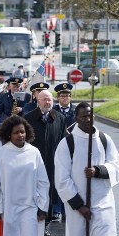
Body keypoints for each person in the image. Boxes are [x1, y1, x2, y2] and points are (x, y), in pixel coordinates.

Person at [54, 101, 119, 236]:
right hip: (78, 205)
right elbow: (62, 178)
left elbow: (116, 167)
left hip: (103, 202)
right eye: (83, 116)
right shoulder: (68, 143)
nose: (87, 119)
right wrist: (79, 205)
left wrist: (98, 170)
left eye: (90, 116)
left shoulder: (104, 139)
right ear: (76, 118)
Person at [25, 89, 66, 236]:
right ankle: (32, 221)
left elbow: (63, 140)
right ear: (38, 101)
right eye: (44, 100)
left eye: (49, 100)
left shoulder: (59, 118)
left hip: (53, 163)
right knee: (33, 192)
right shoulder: (29, 118)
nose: (47, 102)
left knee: (48, 193)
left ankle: (46, 224)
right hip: (33, 163)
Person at [53, 82, 77, 221]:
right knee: (58, 179)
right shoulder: (53, 112)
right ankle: (57, 210)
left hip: (73, 150)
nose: (65, 98)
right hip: (58, 150)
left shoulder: (76, 112)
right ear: (58, 97)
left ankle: (69, 209)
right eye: (62, 96)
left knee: (71, 180)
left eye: (67, 95)